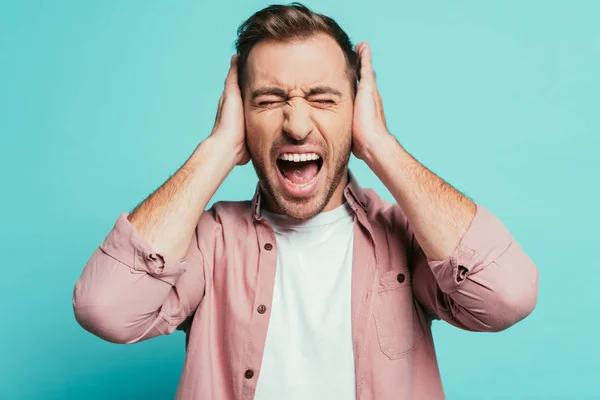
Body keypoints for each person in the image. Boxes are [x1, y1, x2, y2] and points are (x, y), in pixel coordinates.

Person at [72, 3, 539, 399]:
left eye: (322, 98)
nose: (296, 125)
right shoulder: (208, 244)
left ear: (356, 108)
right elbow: (106, 309)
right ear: (241, 116)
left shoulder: (406, 238)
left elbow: (507, 296)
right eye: (269, 100)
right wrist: (216, 150)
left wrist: (379, 145)